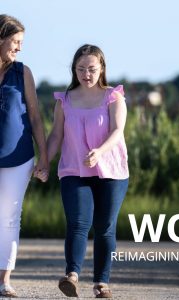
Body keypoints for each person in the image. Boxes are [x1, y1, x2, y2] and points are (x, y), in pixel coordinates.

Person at [47, 44, 129, 298]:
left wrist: (100, 151)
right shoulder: (65, 100)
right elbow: (56, 135)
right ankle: (72, 275)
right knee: (78, 223)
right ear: (74, 70)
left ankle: (101, 283)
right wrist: (44, 162)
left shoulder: (113, 96)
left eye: (92, 69)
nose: (86, 74)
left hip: (111, 171)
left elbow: (117, 131)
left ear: (102, 68)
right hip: (74, 169)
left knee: (105, 227)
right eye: (81, 69)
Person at [0, 14, 48, 298]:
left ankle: (4, 279)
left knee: (9, 217)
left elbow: (35, 117)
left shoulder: (23, 72)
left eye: (21, 42)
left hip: (18, 157)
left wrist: (43, 157)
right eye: (15, 41)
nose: (19, 47)